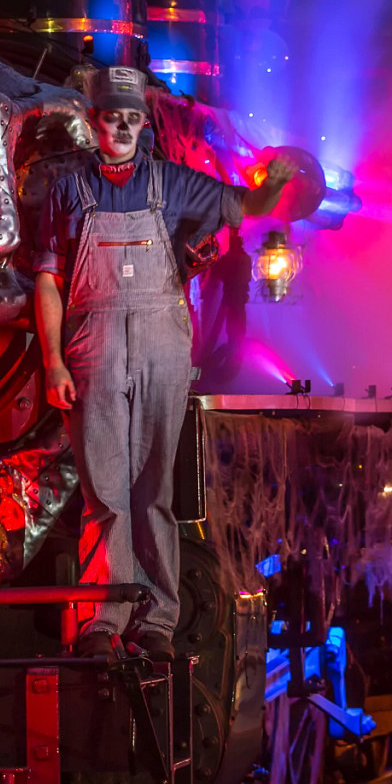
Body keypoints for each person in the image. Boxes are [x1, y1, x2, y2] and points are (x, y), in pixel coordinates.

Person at [33, 66, 295, 660]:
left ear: (143, 124)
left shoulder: (173, 184)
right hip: (91, 343)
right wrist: (52, 361)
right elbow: (48, 280)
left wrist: (272, 188)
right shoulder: (66, 190)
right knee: (104, 489)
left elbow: (242, 205)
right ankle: (104, 617)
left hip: (160, 341)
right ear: (92, 122)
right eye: (110, 116)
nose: (121, 127)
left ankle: (157, 619)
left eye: (131, 118)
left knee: (153, 487)